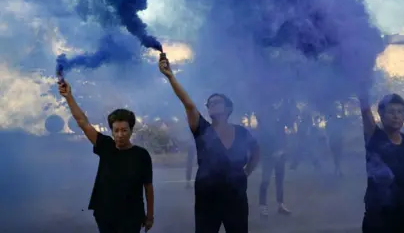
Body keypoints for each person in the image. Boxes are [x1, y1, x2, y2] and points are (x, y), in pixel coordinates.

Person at [159, 55, 260, 233]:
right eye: (209, 103)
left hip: (235, 198)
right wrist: (170, 76)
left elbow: (256, 150)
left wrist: (246, 172)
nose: (211, 105)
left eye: (217, 102)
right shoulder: (202, 129)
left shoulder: (242, 132)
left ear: (228, 108)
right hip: (208, 198)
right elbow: (189, 105)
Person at [58, 80, 154, 233]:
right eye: (116, 130)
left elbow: (148, 187)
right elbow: (83, 122)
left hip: (132, 215)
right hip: (105, 213)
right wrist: (69, 96)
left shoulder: (141, 155)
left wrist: (150, 216)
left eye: (124, 130)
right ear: (111, 131)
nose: (120, 135)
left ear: (131, 130)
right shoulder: (106, 146)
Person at [359, 92, 404, 233]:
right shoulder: (374, 136)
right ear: (381, 114)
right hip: (377, 212)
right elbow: (366, 112)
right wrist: (362, 91)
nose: (396, 116)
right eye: (391, 112)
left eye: (400, 112)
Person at [258, 116, 291, 217]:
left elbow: (284, 141)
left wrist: (282, 151)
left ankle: (280, 204)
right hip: (268, 158)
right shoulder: (263, 130)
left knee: (279, 181)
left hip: (280, 157)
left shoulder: (279, 127)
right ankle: (263, 206)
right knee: (265, 181)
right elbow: (261, 144)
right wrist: (271, 153)